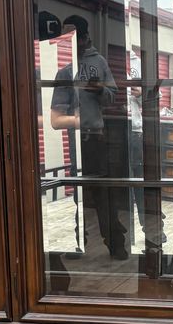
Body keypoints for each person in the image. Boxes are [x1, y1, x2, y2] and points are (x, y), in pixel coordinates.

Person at [50, 16, 127, 259]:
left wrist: (99, 89)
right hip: (76, 141)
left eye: (72, 35)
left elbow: (113, 97)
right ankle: (78, 243)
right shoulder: (64, 71)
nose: (68, 39)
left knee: (105, 193)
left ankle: (116, 243)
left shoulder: (100, 62)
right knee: (80, 194)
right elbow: (56, 115)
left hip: (97, 138)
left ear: (84, 37)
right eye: (65, 35)